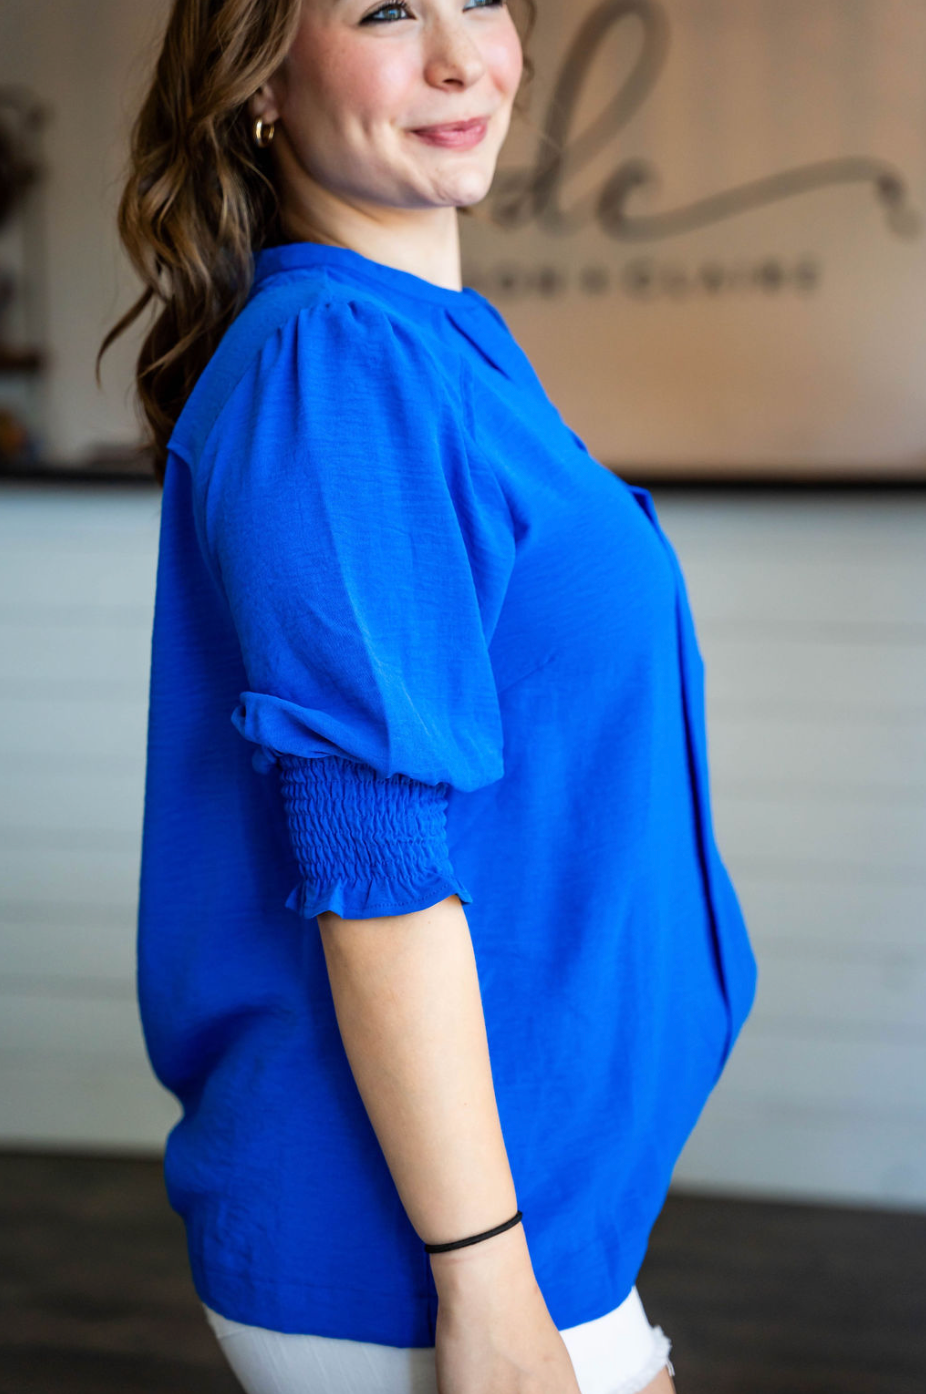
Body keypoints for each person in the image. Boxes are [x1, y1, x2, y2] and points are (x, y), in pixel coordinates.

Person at [99, 1, 759, 1390]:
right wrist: (486, 1278)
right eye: (389, 11)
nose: (462, 56)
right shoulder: (333, 361)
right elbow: (376, 871)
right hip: (417, 1241)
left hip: (529, 1192)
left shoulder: (432, 345)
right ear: (259, 79)